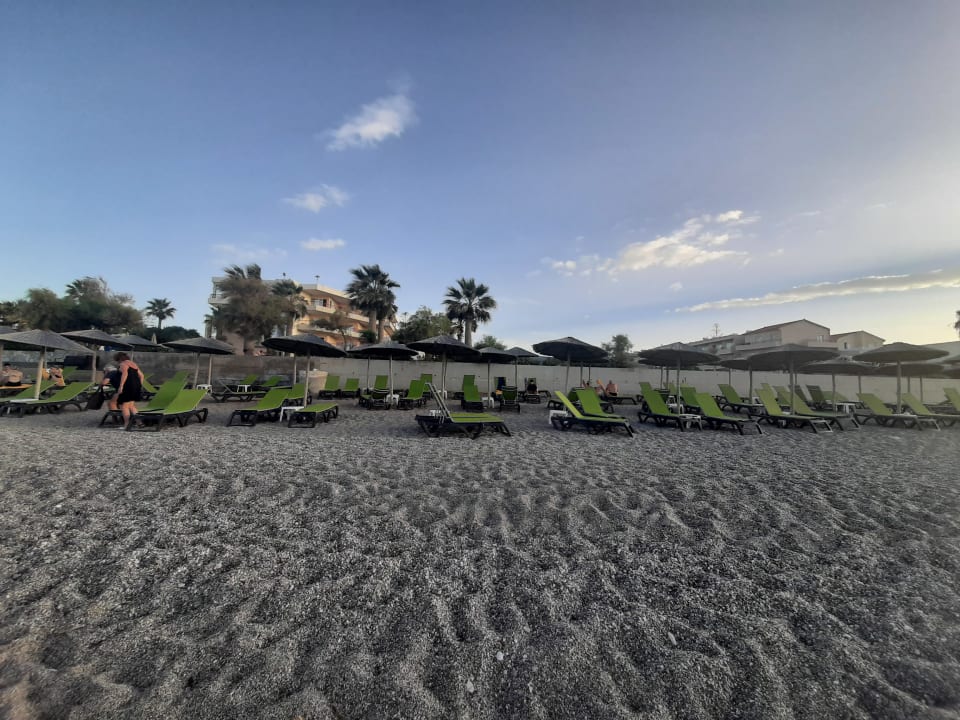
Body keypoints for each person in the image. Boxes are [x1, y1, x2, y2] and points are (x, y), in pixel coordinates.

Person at [114, 352, 145, 428]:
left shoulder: (123, 364)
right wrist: (139, 385)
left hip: (127, 386)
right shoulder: (133, 364)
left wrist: (121, 386)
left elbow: (125, 374)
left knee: (124, 406)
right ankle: (139, 422)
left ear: (119, 359)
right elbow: (142, 375)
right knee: (131, 405)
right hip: (136, 386)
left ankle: (127, 425)